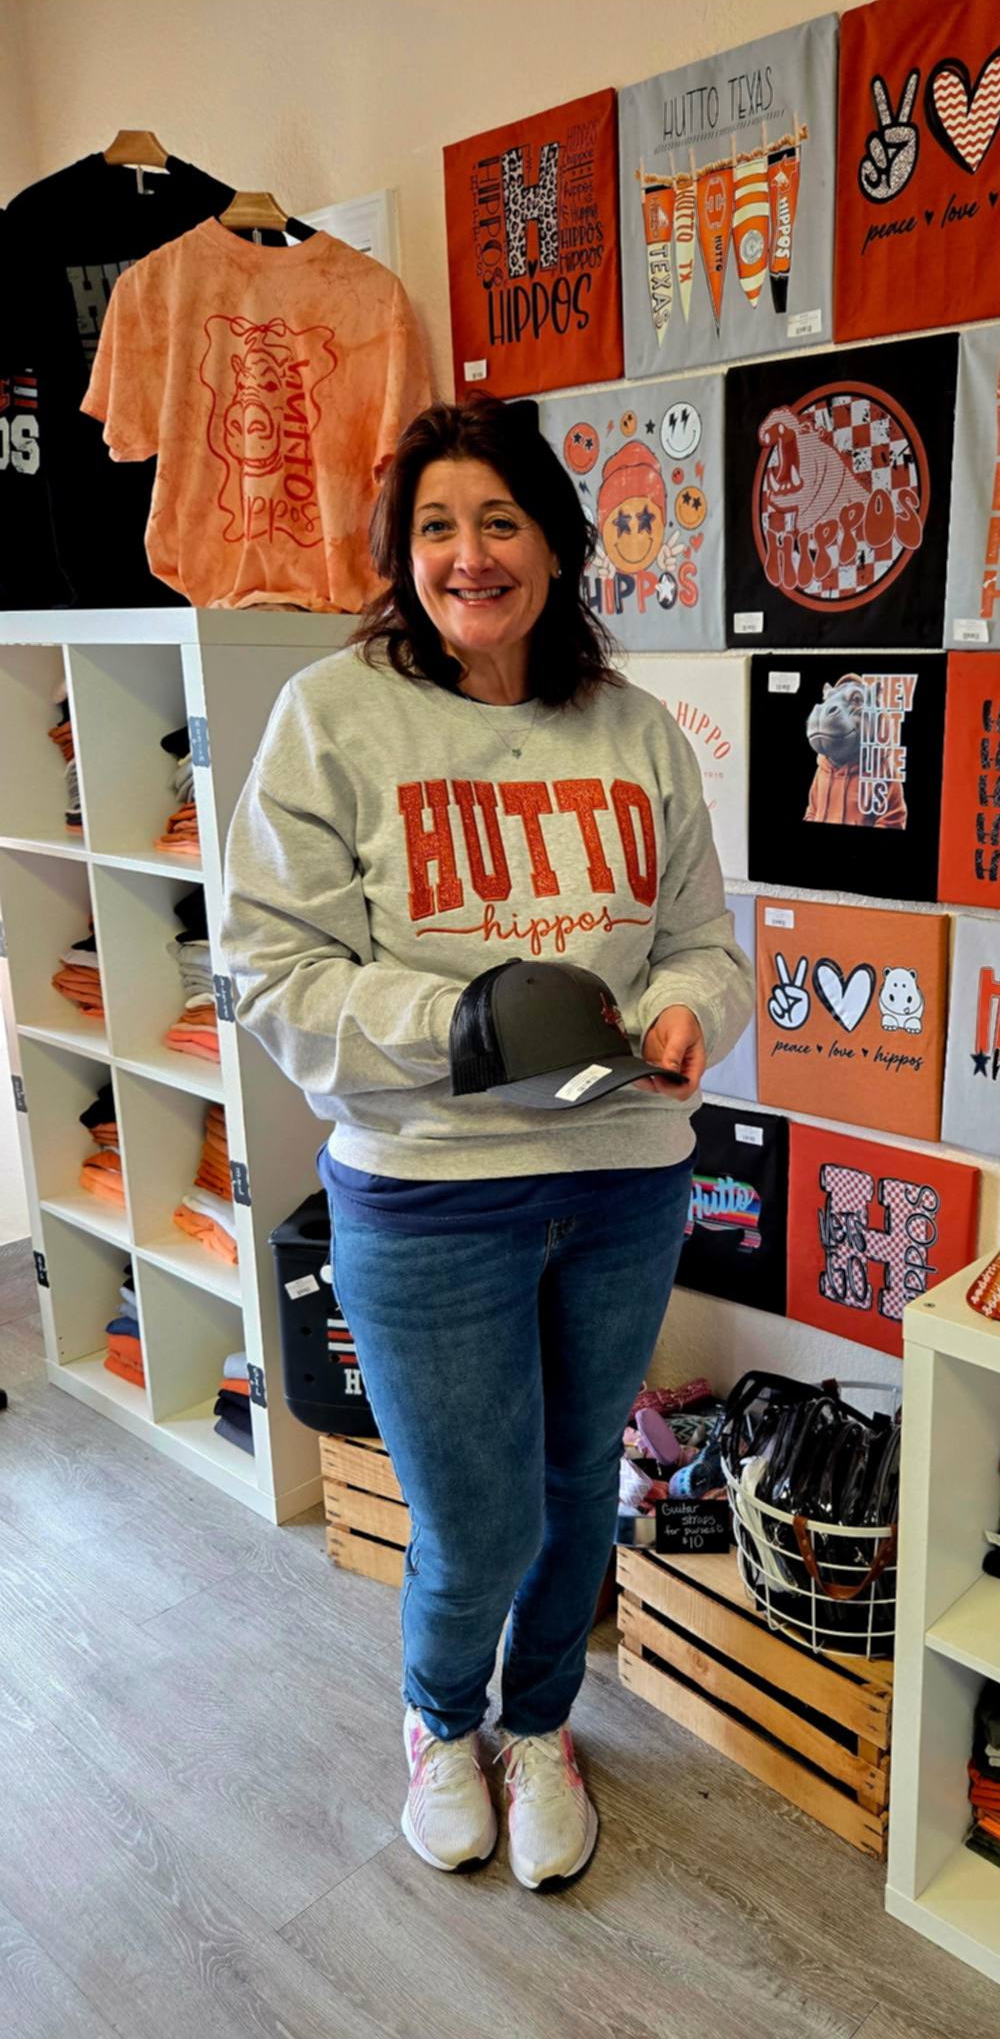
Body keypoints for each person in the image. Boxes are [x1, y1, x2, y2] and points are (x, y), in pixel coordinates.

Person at [220, 398, 751, 1892]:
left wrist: (690, 1014)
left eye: (501, 522)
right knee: (474, 1516)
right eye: (437, 527)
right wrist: (462, 1027)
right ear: (402, 553)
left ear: (556, 547)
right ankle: (441, 1720)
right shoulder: (332, 717)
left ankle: (540, 1724)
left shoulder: (634, 729)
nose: (471, 556)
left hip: (623, 1178)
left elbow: (707, 942)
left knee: (580, 1484)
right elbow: (269, 972)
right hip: (428, 1193)